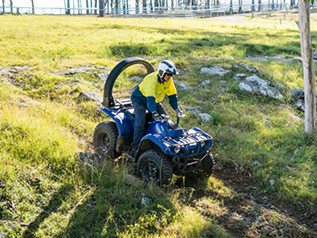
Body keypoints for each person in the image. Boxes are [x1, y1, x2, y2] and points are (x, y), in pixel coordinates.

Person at [129, 60, 183, 157]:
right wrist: (153, 112)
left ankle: (168, 144)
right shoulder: (152, 80)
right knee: (140, 122)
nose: (170, 77)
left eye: (171, 75)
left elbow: (172, 96)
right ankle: (135, 146)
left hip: (155, 101)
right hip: (140, 99)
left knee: (167, 120)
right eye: (169, 74)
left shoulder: (168, 80)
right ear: (162, 73)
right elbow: (150, 100)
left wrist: (176, 108)